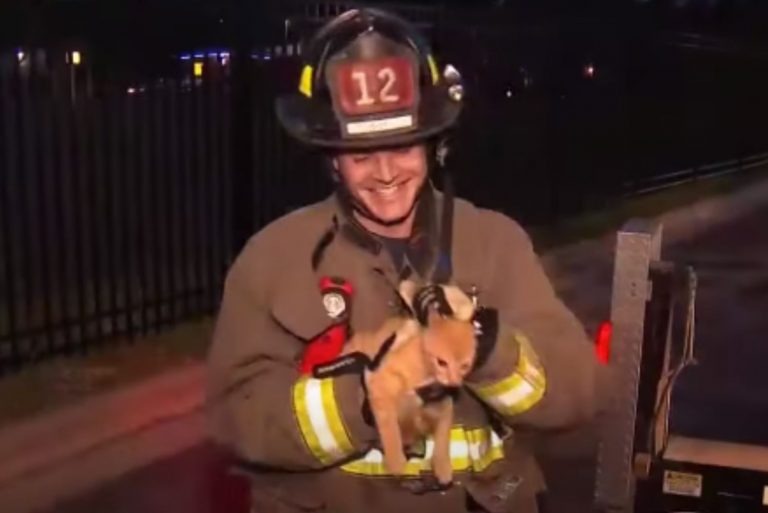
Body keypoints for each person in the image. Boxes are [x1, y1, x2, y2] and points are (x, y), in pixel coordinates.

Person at [206, 8, 604, 513]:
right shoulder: (274, 261)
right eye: (361, 155)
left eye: (403, 147)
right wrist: (365, 402)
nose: (386, 173)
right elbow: (237, 421)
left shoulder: (493, 242)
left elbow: (579, 393)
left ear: (434, 145)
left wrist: (486, 348)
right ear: (331, 159)